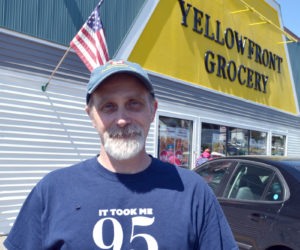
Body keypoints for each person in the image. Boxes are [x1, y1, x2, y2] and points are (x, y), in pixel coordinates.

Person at [4, 60, 238, 250]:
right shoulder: (52, 190)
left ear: (152, 110)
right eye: (108, 106)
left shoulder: (192, 191)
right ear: (91, 116)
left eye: (133, 103)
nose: (122, 119)